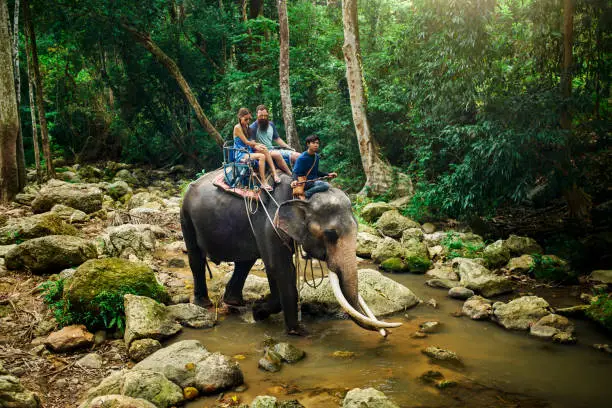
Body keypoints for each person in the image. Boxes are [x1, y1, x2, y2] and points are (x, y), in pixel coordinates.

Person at [233, 108, 280, 191]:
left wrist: (258, 145)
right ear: (240, 117)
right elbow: (246, 142)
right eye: (246, 119)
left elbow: (251, 141)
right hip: (241, 152)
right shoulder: (237, 127)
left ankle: (275, 173)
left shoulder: (246, 126)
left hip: (248, 150)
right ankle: (263, 182)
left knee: (264, 149)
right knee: (262, 156)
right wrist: (257, 144)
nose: (248, 121)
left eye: (249, 119)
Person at [249, 105, 300, 175]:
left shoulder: (271, 124)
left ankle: (302, 176)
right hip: (262, 151)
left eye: (265, 115)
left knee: (298, 156)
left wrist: (288, 147)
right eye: (261, 116)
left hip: (272, 149)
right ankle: (291, 175)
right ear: (257, 115)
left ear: (267, 115)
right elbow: (252, 144)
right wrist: (261, 148)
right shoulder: (253, 127)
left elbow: (277, 139)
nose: (263, 118)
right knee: (277, 154)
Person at [290, 134, 337, 199]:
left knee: (327, 185)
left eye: (317, 143)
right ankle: (305, 194)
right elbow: (295, 172)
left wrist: (328, 174)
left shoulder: (316, 157)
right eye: (313, 143)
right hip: (305, 182)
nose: (316, 145)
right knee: (325, 185)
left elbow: (316, 172)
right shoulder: (302, 158)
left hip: (314, 181)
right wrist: (294, 180)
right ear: (308, 144)